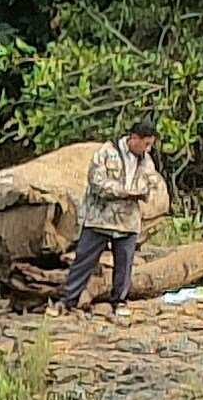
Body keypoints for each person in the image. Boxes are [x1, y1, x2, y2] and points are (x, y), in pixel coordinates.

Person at [54, 120, 165, 316]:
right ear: (134, 138)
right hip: (100, 218)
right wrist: (124, 192)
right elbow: (96, 181)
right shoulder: (106, 152)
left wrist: (144, 192)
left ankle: (119, 301)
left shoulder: (146, 160)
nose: (148, 148)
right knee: (84, 261)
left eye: (151, 144)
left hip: (128, 220)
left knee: (124, 263)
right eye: (145, 143)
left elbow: (152, 181)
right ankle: (67, 300)